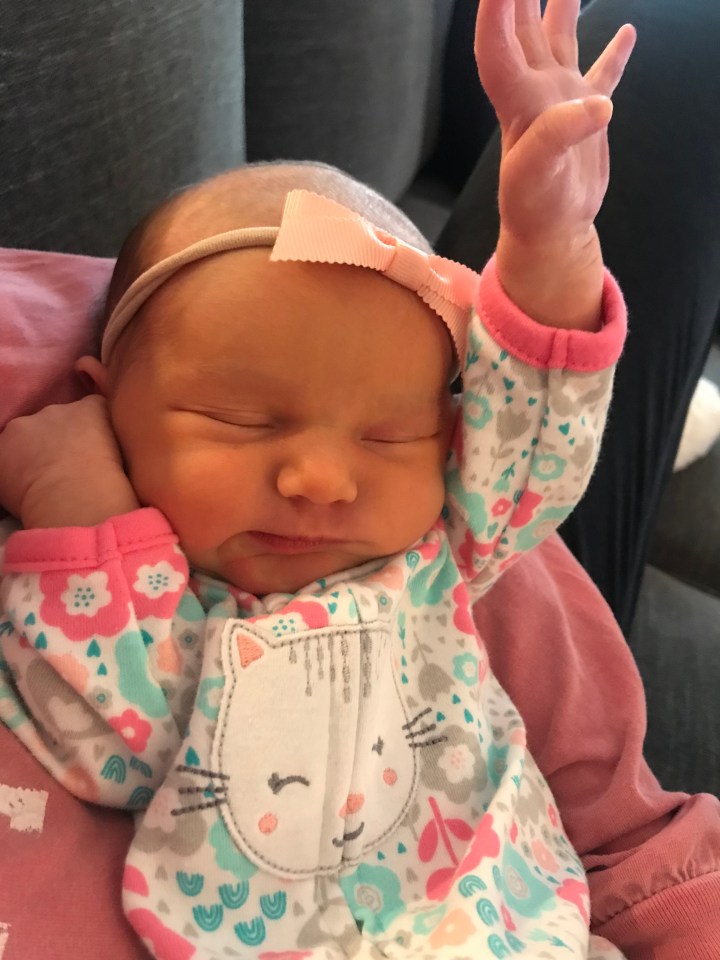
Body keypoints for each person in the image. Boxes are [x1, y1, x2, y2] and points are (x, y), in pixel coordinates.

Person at [0, 2, 718, 958]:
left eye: (390, 434)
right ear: (102, 405)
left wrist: (553, 244)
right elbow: (108, 739)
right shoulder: (167, 616)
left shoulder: (439, 558)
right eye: (244, 421)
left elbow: (534, 443)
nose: (322, 479)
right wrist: (80, 503)